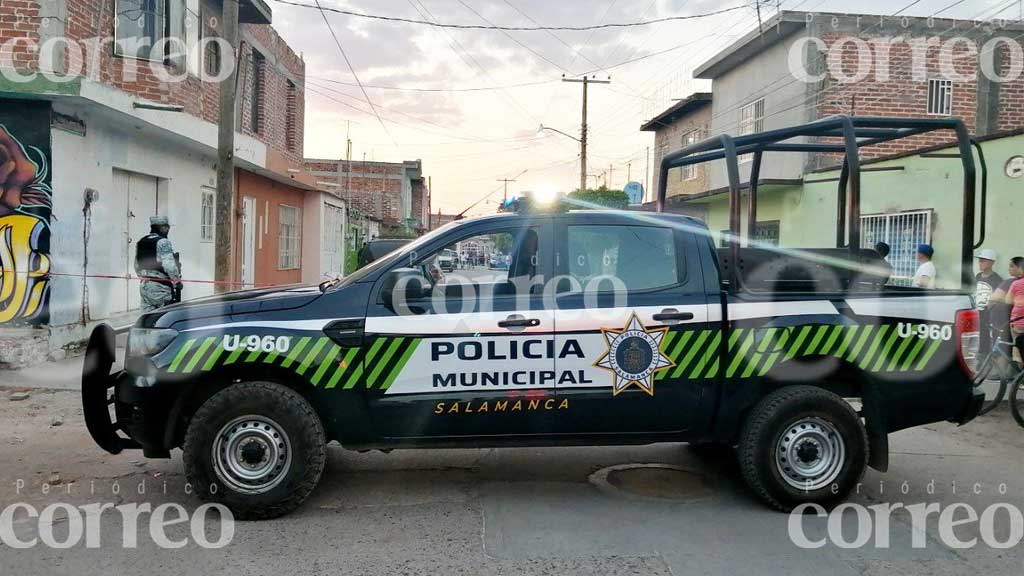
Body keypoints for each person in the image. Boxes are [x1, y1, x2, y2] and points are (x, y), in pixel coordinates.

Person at [135, 215, 182, 312]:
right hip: (160, 288)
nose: (168, 230)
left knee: (146, 317)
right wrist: (177, 281)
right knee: (163, 318)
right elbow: (169, 265)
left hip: (145, 286)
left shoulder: (141, 242)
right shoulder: (163, 242)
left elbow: (136, 265)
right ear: (162, 227)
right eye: (167, 227)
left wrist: (146, 277)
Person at [974, 249, 1003, 357]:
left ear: (992, 262)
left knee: (985, 335)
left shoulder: (997, 279)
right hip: (976, 312)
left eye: (983, 260)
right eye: (980, 260)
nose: (980, 263)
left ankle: (984, 357)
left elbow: (998, 299)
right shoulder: (977, 276)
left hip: (987, 314)